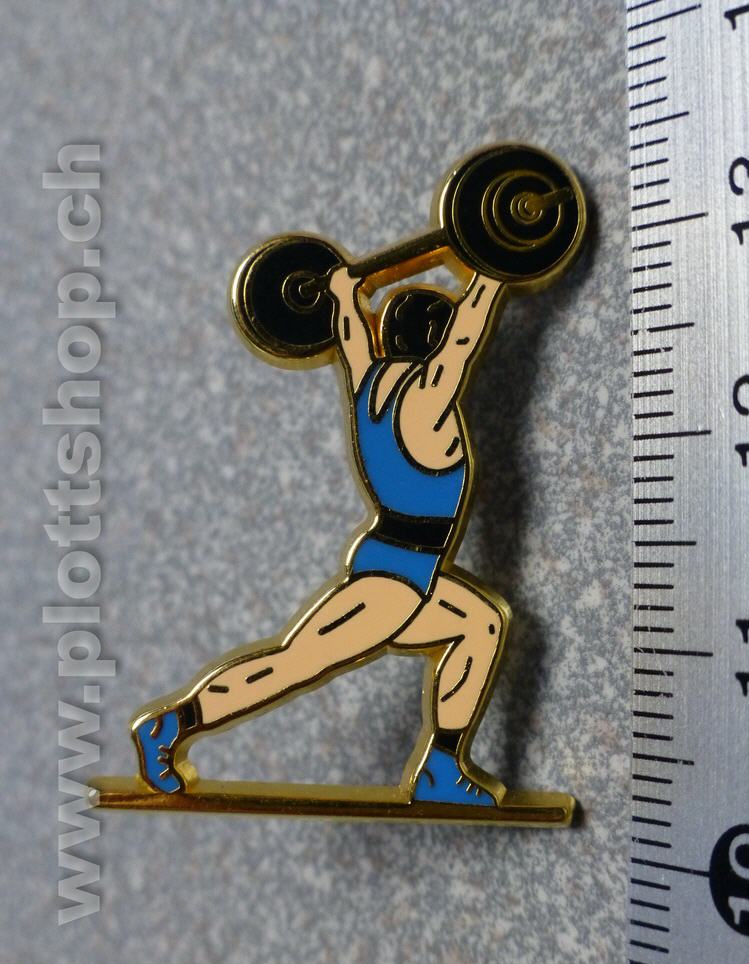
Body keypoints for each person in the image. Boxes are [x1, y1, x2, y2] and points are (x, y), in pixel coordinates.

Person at [133, 263, 512, 806]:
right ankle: (171, 725)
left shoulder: (369, 381)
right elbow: (466, 338)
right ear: (435, 341)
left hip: (407, 572)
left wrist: (341, 292)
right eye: (445, 337)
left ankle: (441, 768)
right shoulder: (426, 402)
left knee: (481, 624)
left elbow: (350, 330)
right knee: (291, 665)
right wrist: (492, 273)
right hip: (393, 585)